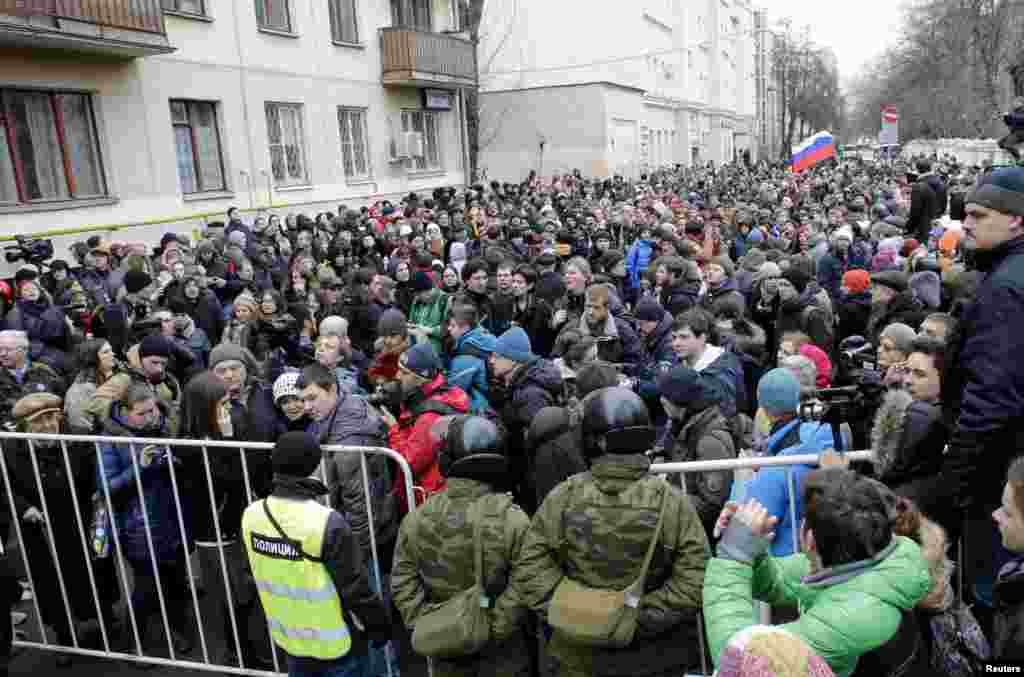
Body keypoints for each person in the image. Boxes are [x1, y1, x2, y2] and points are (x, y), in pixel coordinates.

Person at [512, 387, 709, 677]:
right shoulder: (673, 501)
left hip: (578, 656)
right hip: (656, 655)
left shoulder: (562, 498)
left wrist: (579, 611)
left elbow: (530, 570)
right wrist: (634, 616)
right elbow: (696, 578)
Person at [704, 470, 932, 677]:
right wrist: (753, 550)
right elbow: (780, 582)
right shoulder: (875, 558)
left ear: (809, 540)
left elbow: (740, 660)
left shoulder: (850, 618)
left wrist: (732, 555)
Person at [241, 431, 392, 677]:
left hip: (289, 638)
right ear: (314, 466)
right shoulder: (325, 521)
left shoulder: (251, 514)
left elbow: (251, 575)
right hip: (335, 644)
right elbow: (355, 588)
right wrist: (379, 627)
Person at [392, 416, 532, 676]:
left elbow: (402, 579)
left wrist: (426, 621)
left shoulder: (417, 518)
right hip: (502, 651)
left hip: (444, 644)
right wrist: (495, 626)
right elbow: (526, 581)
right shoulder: (513, 519)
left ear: (445, 462)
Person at [7, 393, 118, 663]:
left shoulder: (78, 439)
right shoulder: (10, 448)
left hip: (82, 518)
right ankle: (65, 640)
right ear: (23, 426)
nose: (47, 425)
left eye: (51, 417)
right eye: (38, 421)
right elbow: (4, 486)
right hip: (41, 527)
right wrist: (24, 508)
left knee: (96, 570)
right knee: (52, 583)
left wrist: (99, 494)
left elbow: (98, 472)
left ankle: (106, 625)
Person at [96, 382, 193, 655]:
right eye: (142, 413)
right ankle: (134, 642)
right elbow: (106, 486)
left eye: (153, 410)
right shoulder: (110, 439)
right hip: (138, 526)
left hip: (171, 519)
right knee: (146, 589)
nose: (150, 417)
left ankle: (178, 632)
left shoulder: (161, 426)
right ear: (125, 412)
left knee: (175, 582)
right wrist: (140, 467)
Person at [739, 369, 837, 556]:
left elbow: (748, 532)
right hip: (826, 557)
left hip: (784, 563)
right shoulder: (822, 439)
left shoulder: (777, 468)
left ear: (765, 410)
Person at [381, 342, 470, 513]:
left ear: (422, 378)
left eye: (405, 373)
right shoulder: (433, 395)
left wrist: (393, 429)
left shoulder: (431, 416)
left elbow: (409, 461)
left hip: (429, 503)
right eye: (398, 369)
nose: (397, 376)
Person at [488, 327, 563, 510]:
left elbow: (535, 446)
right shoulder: (519, 384)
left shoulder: (531, 395)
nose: (491, 361)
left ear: (513, 360)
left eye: (497, 356)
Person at [657, 366, 735, 541]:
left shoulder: (710, 440)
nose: (662, 402)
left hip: (700, 536)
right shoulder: (686, 424)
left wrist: (663, 497)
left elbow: (711, 504)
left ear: (679, 401)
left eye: (665, 399)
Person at [0, 329, 65, 424]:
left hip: (42, 433)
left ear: (24, 350)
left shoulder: (45, 372)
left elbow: (61, 404)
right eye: (0, 349)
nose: (2, 354)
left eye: (8, 349)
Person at [445, 302, 496, 415]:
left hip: (481, 405)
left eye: (453, 326)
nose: (449, 328)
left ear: (465, 328)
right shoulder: (481, 336)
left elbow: (454, 388)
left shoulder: (467, 354)